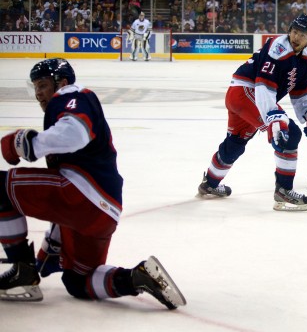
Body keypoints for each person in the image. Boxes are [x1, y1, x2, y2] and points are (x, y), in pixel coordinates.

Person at [0, 58, 186, 309]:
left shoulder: (70, 94)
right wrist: (52, 245)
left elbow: (75, 134)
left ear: (61, 82)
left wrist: (29, 144)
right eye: (35, 87)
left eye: (43, 85)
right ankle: (135, 277)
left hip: (81, 196)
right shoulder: (65, 105)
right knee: (78, 281)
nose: (38, 94)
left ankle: (21, 272)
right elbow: (58, 195)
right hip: (103, 214)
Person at [197, 14, 307, 211]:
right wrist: (273, 116)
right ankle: (284, 190)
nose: (296, 37)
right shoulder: (278, 47)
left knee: (236, 142)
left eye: (303, 34)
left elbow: (300, 94)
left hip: (242, 96)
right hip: (246, 92)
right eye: (295, 31)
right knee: (289, 134)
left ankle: (210, 184)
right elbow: (263, 86)